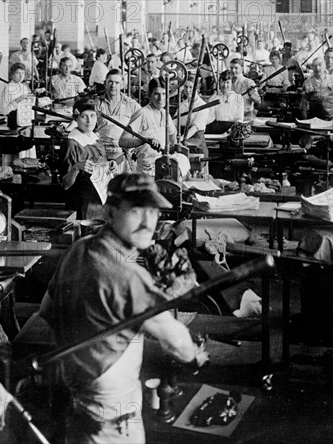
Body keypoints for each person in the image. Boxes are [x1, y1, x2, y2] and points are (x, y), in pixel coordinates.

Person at [39, 172, 208, 444]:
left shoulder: (78, 249)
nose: (147, 222)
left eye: (152, 212)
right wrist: (196, 355)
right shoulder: (128, 275)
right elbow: (177, 342)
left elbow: (46, 311)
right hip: (112, 405)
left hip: (76, 388)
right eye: (136, 210)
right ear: (110, 211)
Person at [59, 98, 108, 219]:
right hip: (80, 203)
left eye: (92, 116)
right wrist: (76, 168)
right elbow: (65, 184)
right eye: (83, 116)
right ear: (76, 118)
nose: (89, 121)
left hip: (99, 200)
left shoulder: (96, 139)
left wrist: (108, 165)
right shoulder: (72, 144)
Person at [119, 78, 177, 176]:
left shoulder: (165, 114)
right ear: (150, 95)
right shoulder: (143, 113)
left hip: (163, 168)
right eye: (156, 94)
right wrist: (144, 140)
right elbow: (123, 140)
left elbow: (173, 135)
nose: (160, 98)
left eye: (164, 94)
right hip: (146, 172)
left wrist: (173, 151)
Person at [95, 69, 141, 173]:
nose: (113, 85)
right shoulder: (97, 103)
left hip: (123, 153)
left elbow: (142, 123)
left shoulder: (131, 104)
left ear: (122, 85)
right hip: (102, 152)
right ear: (105, 84)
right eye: (110, 82)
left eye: (117, 83)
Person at [175, 78, 209, 159]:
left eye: (191, 87)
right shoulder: (182, 105)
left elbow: (195, 127)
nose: (188, 90)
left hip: (196, 143)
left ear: (197, 88)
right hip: (182, 142)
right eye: (186, 87)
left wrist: (182, 138)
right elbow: (174, 122)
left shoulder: (203, 106)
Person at [299, 57, 333, 123]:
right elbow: (303, 105)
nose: (317, 68)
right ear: (312, 67)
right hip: (314, 119)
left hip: (332, 119)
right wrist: (305, 121)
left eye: (320, 65)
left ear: (325, 66)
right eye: (315, 66)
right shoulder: (307, 83)